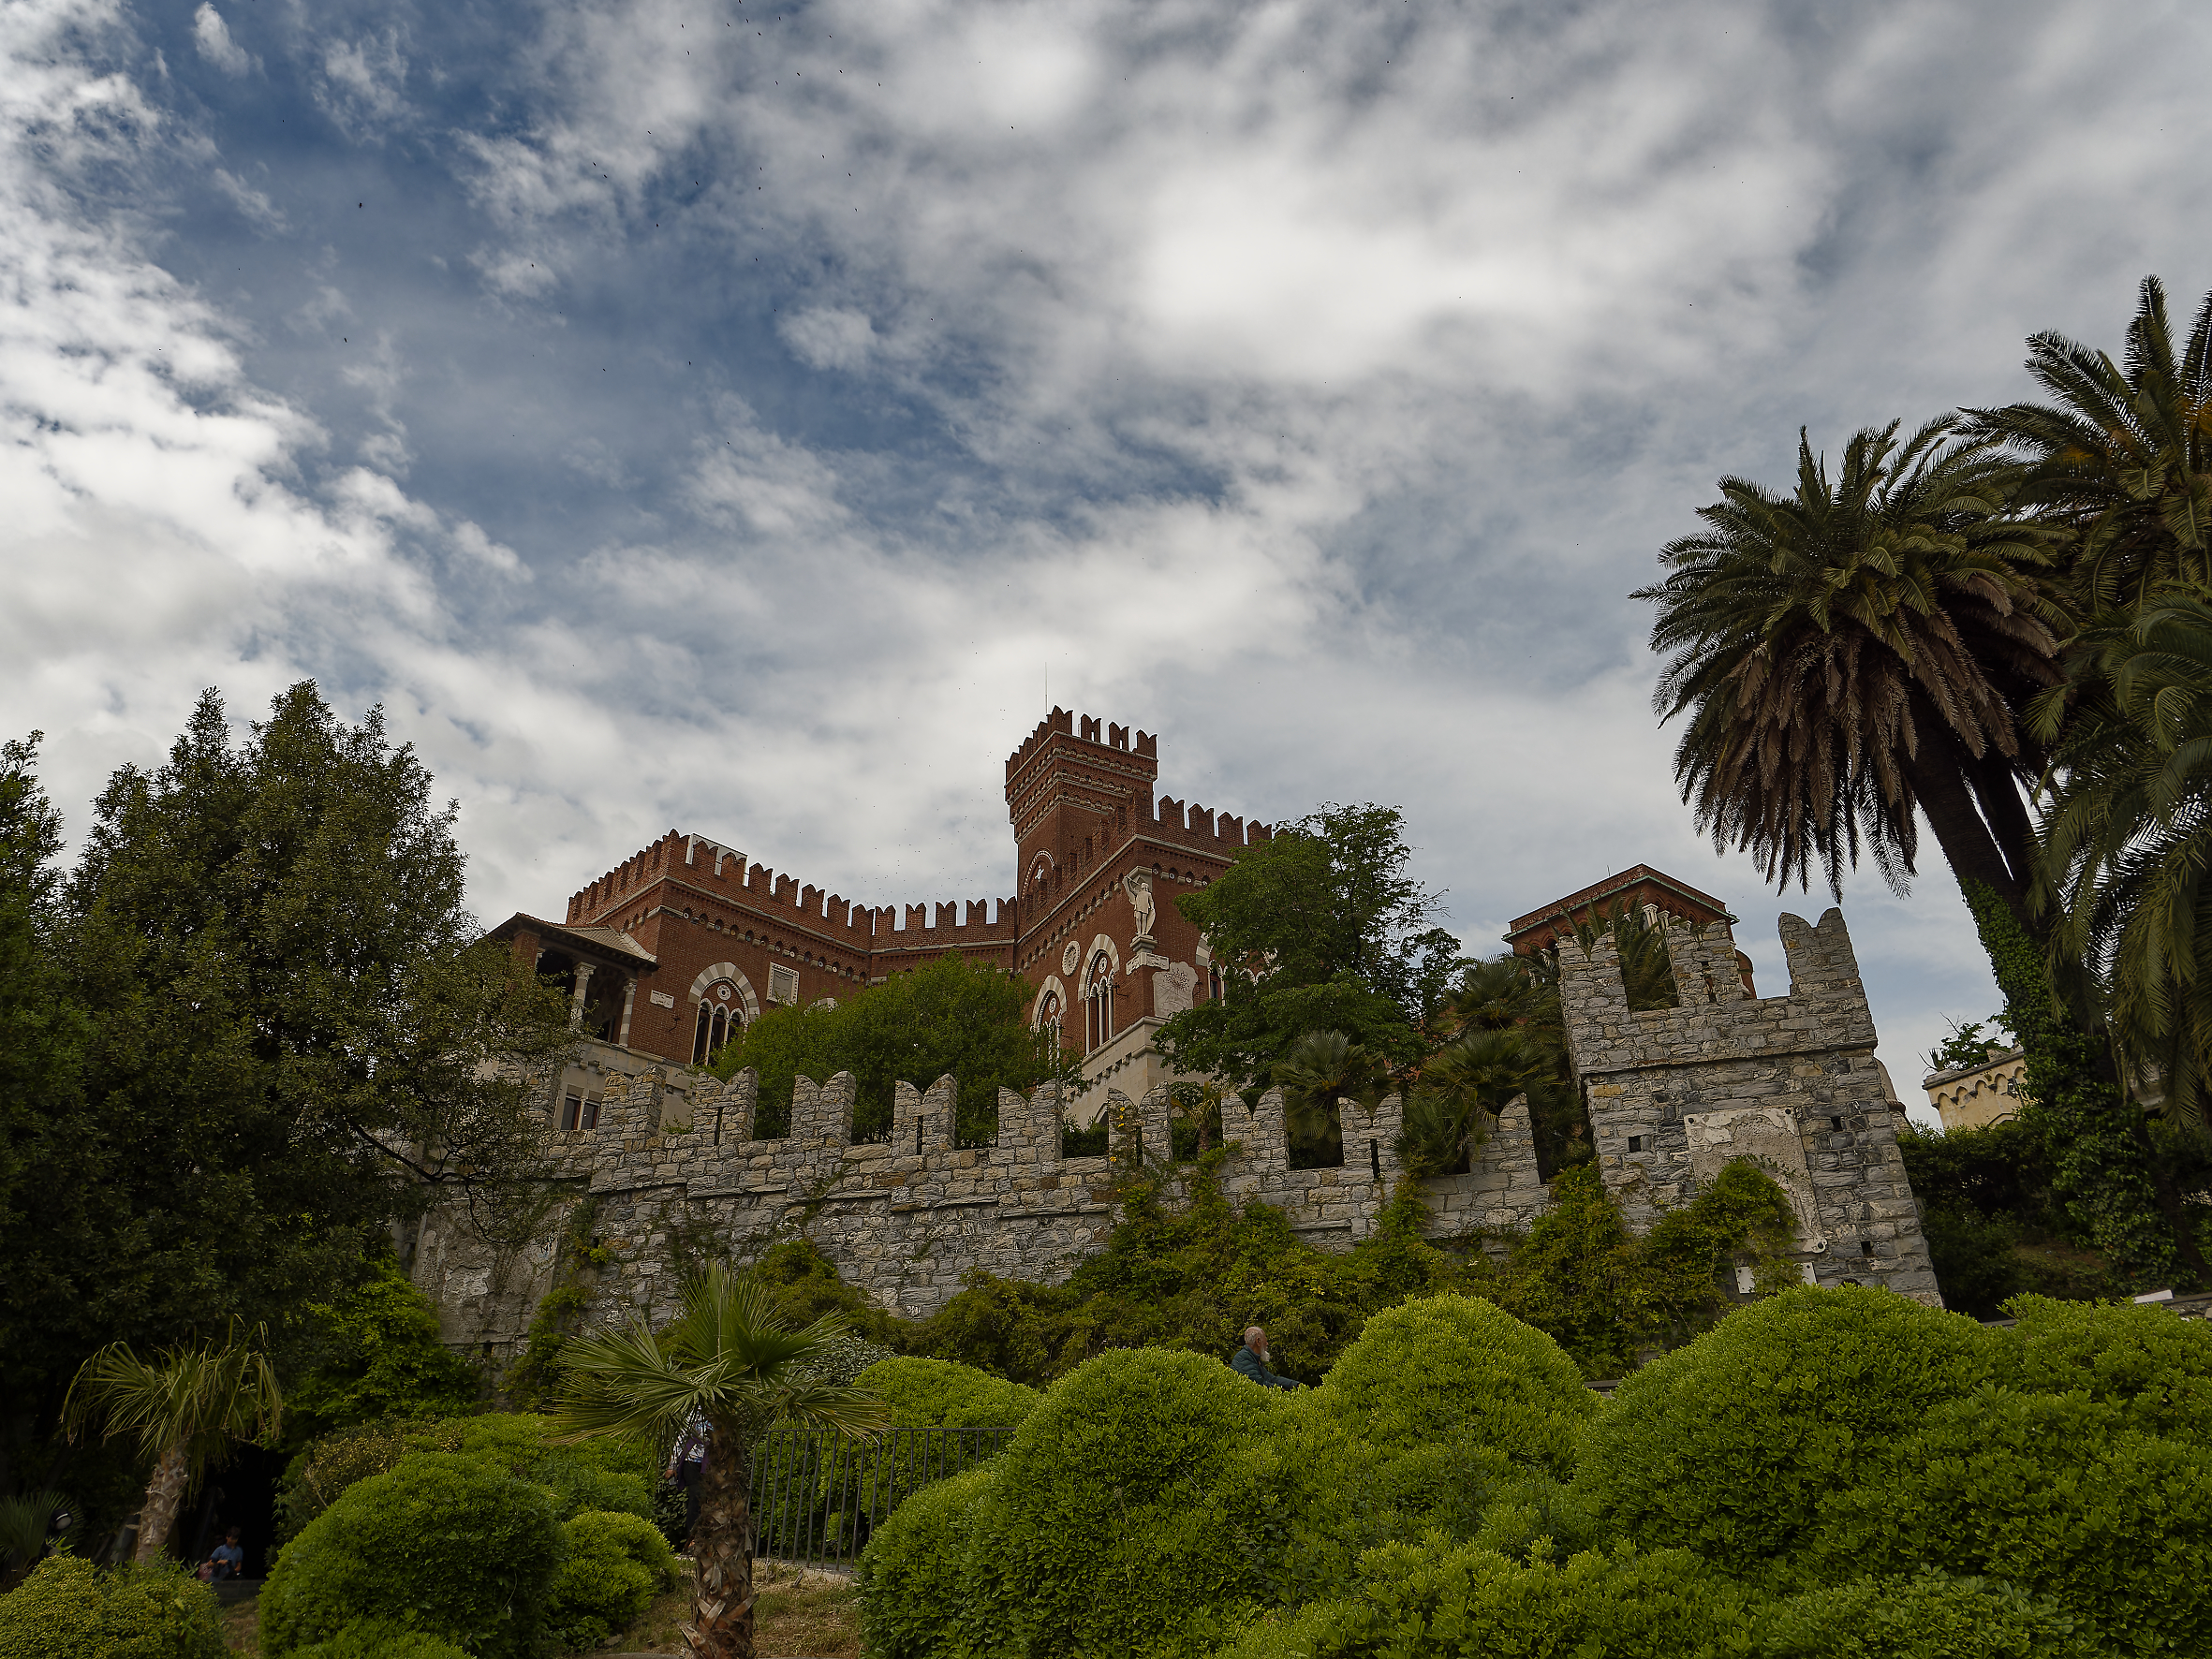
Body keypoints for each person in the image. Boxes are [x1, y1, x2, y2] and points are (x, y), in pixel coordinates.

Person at [665, 1411, 711, 1542]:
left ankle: (710, 1539)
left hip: (713, 1462)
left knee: (711, 1498)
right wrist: (672, 1465)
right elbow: (681, 1438)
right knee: (696, 1496)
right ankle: (692, 1539)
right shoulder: (693, 1411)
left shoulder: (720, 1408)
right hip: (691, 1461)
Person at [1229, 1326, 1299, 1389]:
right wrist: (1281, 1390)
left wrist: (1296, 1385)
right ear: (1258, 1341)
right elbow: (1260, 1384)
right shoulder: (1244, 1358)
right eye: (1265, 1340)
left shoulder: (1253, 1358)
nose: (1267, 1343)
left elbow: (1272, 1379)